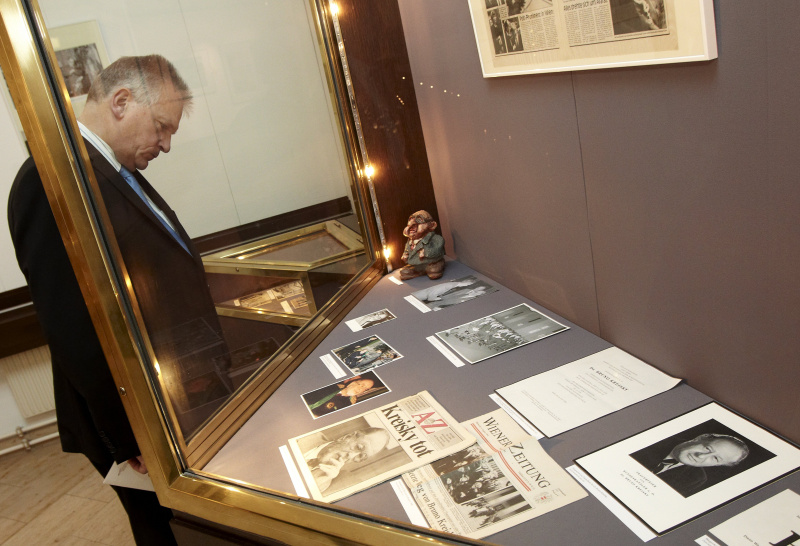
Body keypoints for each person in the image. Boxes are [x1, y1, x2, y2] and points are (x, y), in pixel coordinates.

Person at [8, 54, 222, 545]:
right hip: (130, 418)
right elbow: (74, 328)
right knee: (163, 529)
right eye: (162, 127)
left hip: (165, 392)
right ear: (122, 102)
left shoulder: (107, 166)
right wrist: (130, 436)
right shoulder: (51, 181)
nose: (166, 145)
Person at [634, 433, 749, 497]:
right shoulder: (654, 437)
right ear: (699, 439)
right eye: (707, 448)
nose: (701, 456)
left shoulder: (696, 479)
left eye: (715, 458)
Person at [303, 427, 391, 492]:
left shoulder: (326, 480)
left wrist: (327, 477)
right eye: (358, 447)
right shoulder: (306, 434)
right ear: (346, 437)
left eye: (361, 456)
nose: (351, 455)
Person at [399, 210, 446, 280]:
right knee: (404, 272)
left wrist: (425, 252)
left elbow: (437, 249)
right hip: (417, 264)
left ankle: (436, 266)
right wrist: (405, 254)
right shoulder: (410, 241)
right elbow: (407, 250)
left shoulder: (436, 239)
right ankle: (418, 271)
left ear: (431, 225)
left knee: (433, 270)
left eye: (416, 225)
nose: (412, 227)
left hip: (432, 263)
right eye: (409, 225)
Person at [305, 376, 384, 417]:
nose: (361, 389)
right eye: (362, 385)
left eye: (366, 389)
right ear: (353, 382)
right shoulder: (331, 385)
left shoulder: (348, 404)